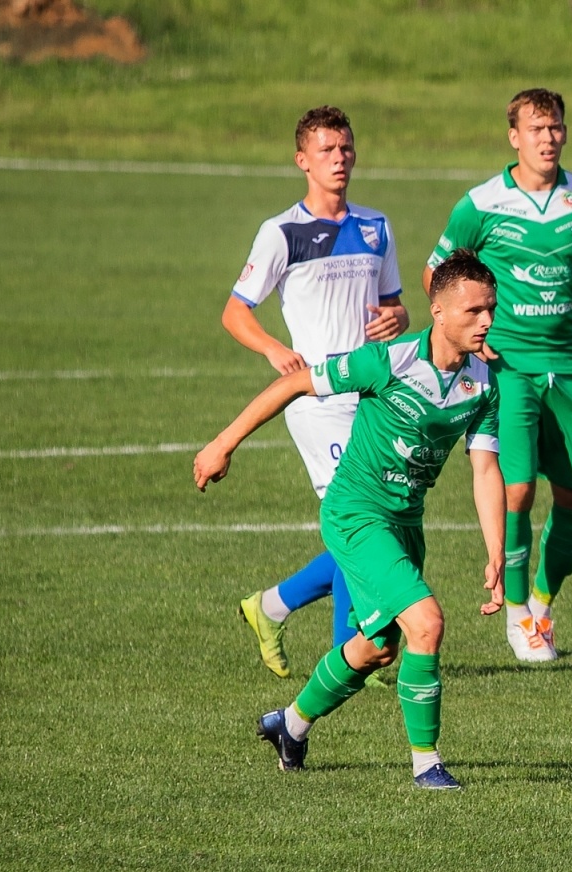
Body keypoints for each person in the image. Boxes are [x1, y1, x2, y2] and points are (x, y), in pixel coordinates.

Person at [195, 252, 505, 790]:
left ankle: (289, 725)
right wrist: (223, 444)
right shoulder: (387, 361)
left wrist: (496, 551)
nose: (487, 322)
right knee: (427, 624)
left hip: (405, 522)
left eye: (491, 310)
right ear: (437, 310)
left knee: (376, 647)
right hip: (356, 513)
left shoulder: (484, 383)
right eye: (474, 311)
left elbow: (485, 468)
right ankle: (426, 765)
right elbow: (294, 385)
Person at [423, 87, 572, 663]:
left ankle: (542, 602)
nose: (548, 138)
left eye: (556, 127)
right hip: (508, 369)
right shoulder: (482, 203)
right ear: (514, 136)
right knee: (517, 490)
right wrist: (467, 336)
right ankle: (517, 613)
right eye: (536, 129)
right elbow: (435, 273)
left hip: (569, 367)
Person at [225, 105, 409, 679]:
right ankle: (350, 654)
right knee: (360, 525)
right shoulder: (282, 232)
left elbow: (395, 304)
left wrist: (396, 319)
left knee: (370, 525)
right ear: (302, 160)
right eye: (327, 150)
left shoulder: (377, 226)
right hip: (316, 402)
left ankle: (273, 607)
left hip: (373, 398)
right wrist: (273, 351)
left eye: (346, 148)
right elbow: (235, 313)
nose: (340, 158)